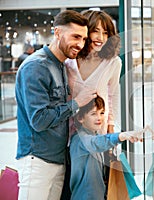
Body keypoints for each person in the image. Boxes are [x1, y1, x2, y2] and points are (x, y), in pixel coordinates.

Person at [15, 10, 98, 200]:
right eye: (76, 36)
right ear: (58, 33)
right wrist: (77, 103)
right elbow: (39, 120)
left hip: (57, 159)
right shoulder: (36, 66)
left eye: (84, 39)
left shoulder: (61, 65)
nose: (80, 44)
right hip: (37, 160)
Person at [70, 95, 142, 200]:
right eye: (93, 114)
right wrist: (122, 136)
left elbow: (102, 141)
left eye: (102, 113)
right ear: (80, 118)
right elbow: (97, 143)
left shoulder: (95, 135)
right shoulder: (80, 139)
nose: (99, 118)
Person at [66, 9, 121, 135]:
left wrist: (111, 126)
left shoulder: (112, 62)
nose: (101, 38)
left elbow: (113, 95)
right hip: (69, 126)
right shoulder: (69, 60)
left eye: (105, 33)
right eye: (96, 31)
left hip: (98, 128)